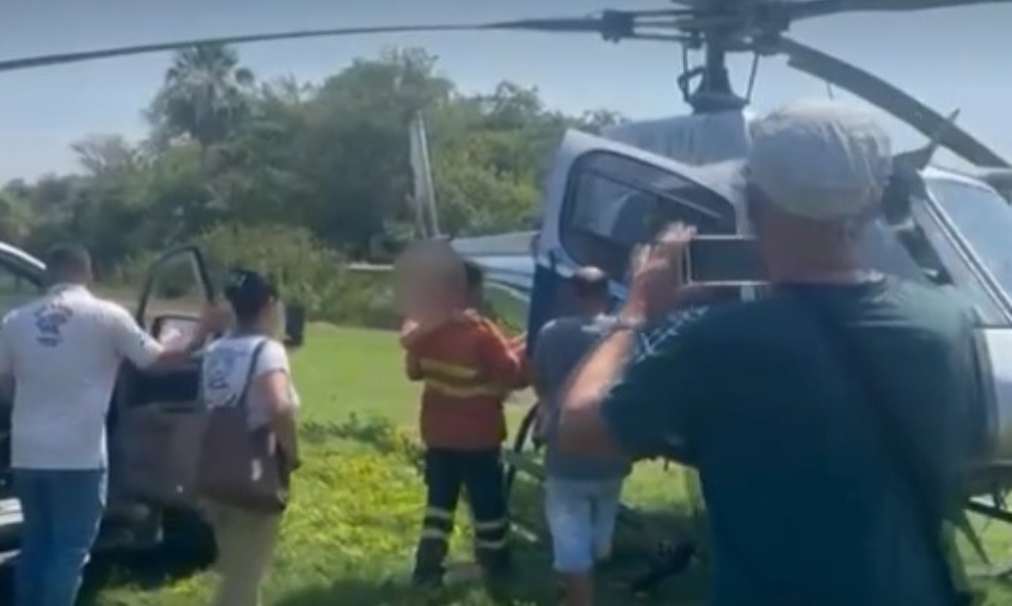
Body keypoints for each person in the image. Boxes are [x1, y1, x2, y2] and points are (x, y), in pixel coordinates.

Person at [557, 101, 976, 606]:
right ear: (873, 207)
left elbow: (578, 428)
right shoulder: (948, 320)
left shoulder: (714, 342)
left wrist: (638, 309)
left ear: (753, 202)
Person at [0, 244, 220, 606]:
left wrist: (28, 401)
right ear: (89, 273)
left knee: (35, 543)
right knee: (69, 551)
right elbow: (159, 361)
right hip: (78, 457)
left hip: (27, 453)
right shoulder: (107, 317)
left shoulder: (16, 320)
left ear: (49, 275)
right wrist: (201, 333)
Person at [399, 247, 525, 586]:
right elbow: (511, 372)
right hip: (479, 437)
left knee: (439, 505)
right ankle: (495, 564)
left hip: (438, 435)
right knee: (487, 504)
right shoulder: (482, 333)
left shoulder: (427, 333)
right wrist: (518, 347)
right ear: (470, 291)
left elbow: (413, 371)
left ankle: (427, 568)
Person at [199, 268, 300, 606]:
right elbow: (278, 407)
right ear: (269, 305)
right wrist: (292, 453)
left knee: (236, 568)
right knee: (244, 577)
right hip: (254, 472)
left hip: (216, 470)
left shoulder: (216, 350)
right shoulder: (267, 351)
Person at [531, 266, 632, 606]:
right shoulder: (623, 334)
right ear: (607, 293)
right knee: (603, 515)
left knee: (568, 524)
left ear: (572, 294)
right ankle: (594, 562)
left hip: (566, 445)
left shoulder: (552, 332)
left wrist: (547, 406)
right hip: (613, 444)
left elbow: (538, 377)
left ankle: (578, 596)